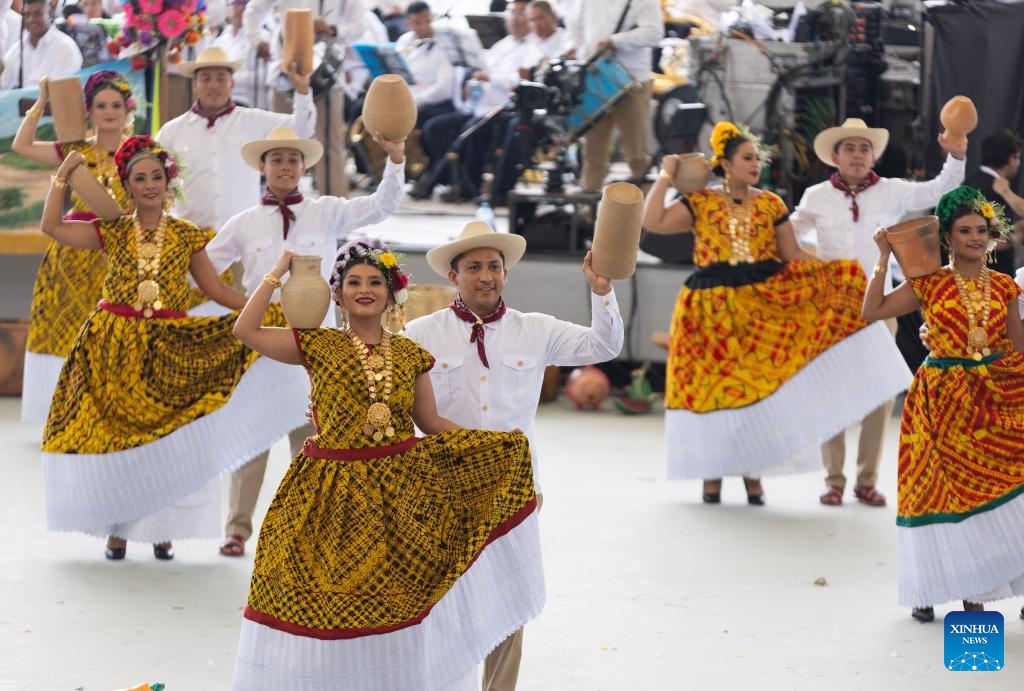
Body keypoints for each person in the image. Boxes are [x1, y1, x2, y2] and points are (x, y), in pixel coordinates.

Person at [230, 240, 542, 690]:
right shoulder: (317, 345)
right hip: (328, 491)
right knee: (315, 597)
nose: (364, 289)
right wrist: (277, 273)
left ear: (391, 292)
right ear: (336, 294)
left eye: (375, 281)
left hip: (398, 493)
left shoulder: (412, 354)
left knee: (395, 598)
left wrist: (495, 445)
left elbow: (431, 422)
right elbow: (246, 330)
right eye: (353, 282)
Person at [38, 136, 310, 560]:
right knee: (120, 440)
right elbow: (51, 227)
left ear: (170, 182)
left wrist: (267, 307)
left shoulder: (187, 237)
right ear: (127, 186)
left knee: (164, 440)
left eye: (157, 177)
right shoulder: (111, 230)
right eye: (140, 178)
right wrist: (61, 176)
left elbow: (217, 289)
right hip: (112, 344)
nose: (150, 185)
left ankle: (160, 530)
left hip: (168, 346)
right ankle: (119, 530)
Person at [404, 220, 623, 690]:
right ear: (453, 276)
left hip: (516, 488)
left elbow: (604, 345)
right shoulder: (419, 333)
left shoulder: (536, 330)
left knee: (509, 604)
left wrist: (602, 292)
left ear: (506, 274)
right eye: (474, 267)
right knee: (443, 601)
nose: (486, 276)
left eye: (494, 267)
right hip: (444, 488)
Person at [643, 121, 911, 503]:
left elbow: (795, 257)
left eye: (758, 159)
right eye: (747, 158)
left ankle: (753, 474)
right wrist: (666, 175)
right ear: (726, 163)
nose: (755, 165)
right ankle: (711, 474)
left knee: (756, 390)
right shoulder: (701, 202)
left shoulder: (771, 203)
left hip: (759, 308)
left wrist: (842, 277)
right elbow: (652, 221)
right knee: (712, 392)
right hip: (708, 309)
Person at [205, 126, 406, 557]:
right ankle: (237, 529)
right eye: (276, 159)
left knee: (315, 432)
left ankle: (309, 528)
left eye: (293, 160)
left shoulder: (326, 211)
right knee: (252, 433)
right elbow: (200, 269)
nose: (285, 167)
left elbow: (382, 205)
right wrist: (246, 304)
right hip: (260, 341)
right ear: (262, 167)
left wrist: (394, 158)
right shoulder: (244, 223)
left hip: (318, 342)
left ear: (303, 167)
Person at [863, 185, 1024, 622]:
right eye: (965, 230)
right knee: (938, 493)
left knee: (996, 484)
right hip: (940, 399)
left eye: (982, 230)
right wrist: (882, 258)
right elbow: (872, 310)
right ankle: (942, 587)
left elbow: (1017, 349)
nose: (975, 237)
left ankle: (988, 579)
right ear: (947, 238)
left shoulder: (1006, 285)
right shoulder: (929, 284)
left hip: (991, 396)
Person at [790, 117, 965, 507]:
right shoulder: (816, 195)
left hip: (879, 305)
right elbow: (789, 234)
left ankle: (866, 480)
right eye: (850, 148)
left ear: (874, 156)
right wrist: (814, 266)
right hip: (832, 309)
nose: (857, 155)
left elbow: (941, 188)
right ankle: (833, 480)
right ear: (835, 156)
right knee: (829, 391)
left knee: (880, 392)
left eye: (864, 148)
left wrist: (955, 155)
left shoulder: (892, 191)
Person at [14, 71, 135, 423]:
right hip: (71, 253)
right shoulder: (76, 148)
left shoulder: (139, 150)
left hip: (117, 256)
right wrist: (40, 105)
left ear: (127, 109)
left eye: (115, 105)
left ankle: (109, 409)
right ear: (90, 111)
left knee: (111, 332)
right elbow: (21, 147)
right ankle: (65, 411)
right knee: (66, 329)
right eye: (101, 105)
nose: (109, 112)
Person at [156, 46, 316, 233]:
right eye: (206, 79)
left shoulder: (253, 120)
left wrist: (303, 91)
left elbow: (302, 129)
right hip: (189, 238)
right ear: (195, 85)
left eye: (221, 78)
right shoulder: (172, 131)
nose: (214, 85)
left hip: (242, 239)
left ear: (232, 84)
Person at [245, 0, 365, 196]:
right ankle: (278, 207)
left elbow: (359, 25)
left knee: (329, 145)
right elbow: (254, 10)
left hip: (326, 72)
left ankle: (333, 210)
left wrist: (333, 29)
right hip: (284, 72)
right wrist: (257, 40)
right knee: (280, 141)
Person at [564, 0, 662, 191]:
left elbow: (654, 32)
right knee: (592, 155)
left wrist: (616, 40)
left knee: (637, 156)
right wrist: (572, 47)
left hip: (633, 80)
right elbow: (573, 28)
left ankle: (644, 216)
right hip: (595, 79)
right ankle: (588, 213)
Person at [964, 128, 1023, 275]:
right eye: (1018, 158)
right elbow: (979, 239)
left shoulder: (968, 183)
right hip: (992, 276)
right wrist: (1014, 237)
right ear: (1011, 159)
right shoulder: (995, 189)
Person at [0, 0, 82, 89]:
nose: (31, 19)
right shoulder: (16, 50)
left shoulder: (65, 48)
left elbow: (61, 93)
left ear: (50, 13)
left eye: (37, 13)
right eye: (27, 14)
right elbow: (3, 89)